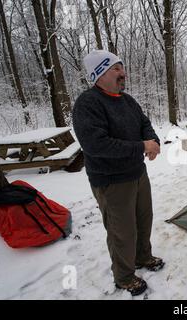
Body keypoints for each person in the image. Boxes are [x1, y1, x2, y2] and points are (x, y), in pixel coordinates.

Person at [72, 50, 164, 296]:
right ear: (99, 73)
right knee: (122, 231)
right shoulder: (88, 103)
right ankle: (124, 276)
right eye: (116, 69)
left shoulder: (126, 100)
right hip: (112, 182)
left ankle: (143, 257)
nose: (123, 73)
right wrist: (141, 147)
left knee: (144, 220)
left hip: (137, 174)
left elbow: (144, 123)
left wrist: (152, 141)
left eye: (122, 68)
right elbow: (96, 145)